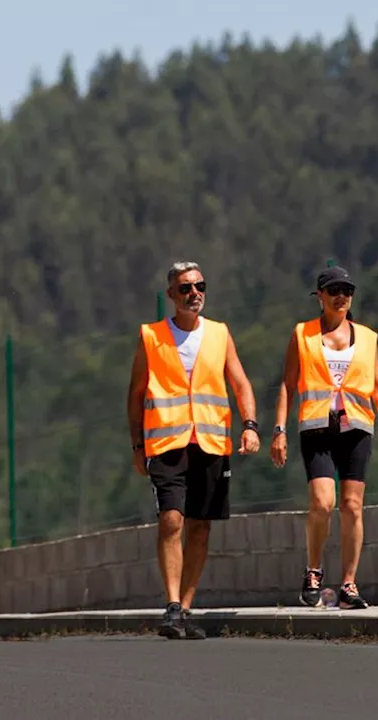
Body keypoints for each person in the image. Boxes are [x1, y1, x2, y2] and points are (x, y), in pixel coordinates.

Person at [126, 260, 261, 640]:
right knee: (172, 519)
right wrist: (138, 446)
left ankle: (184, 609)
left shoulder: (219, 334)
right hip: (166, 443)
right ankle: (170, 604)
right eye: (185, 288)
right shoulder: (151, 336)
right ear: (170, 295)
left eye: (199, 286)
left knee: (200, 527)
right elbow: (136, 395)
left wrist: (250, 426)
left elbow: (241, 384)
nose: (194, 293)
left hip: (211, 442)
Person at [271, 265, 378, 609]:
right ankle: (313, 570)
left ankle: (348, 584)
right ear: (320, 297)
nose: (341, 296)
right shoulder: (303, 335)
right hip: (316, 427)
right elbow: (287, 384)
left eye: (347, 290)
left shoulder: (367, 337)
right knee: (322, 502)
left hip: (357, 428)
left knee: (353, 506)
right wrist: (280, 430)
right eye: (333, 291)